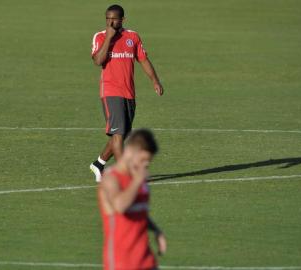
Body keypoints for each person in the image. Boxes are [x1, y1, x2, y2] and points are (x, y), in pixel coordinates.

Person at [90, 4, 164, 182]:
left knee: (121, 134)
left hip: (129, 93)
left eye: (114, 19)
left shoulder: (132, 36)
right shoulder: (100, 37)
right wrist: (109, 37)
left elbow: (143, 60)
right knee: (117, 134)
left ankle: (98, 164)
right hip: (110, 91)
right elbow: (98, 60)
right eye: (107, 18)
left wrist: (155, 80)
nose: (110, 21)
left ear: (122, 19)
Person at [98, 129, 167, 270]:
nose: (145, 166)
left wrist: (156, 230)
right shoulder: (111, 179)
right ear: (129, 151)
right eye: (142, 160)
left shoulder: (137, 176)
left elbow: (139, 211)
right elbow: (119, 206)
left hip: (146, 258)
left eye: (147, 162)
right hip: (121, 262)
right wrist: (137, 181)